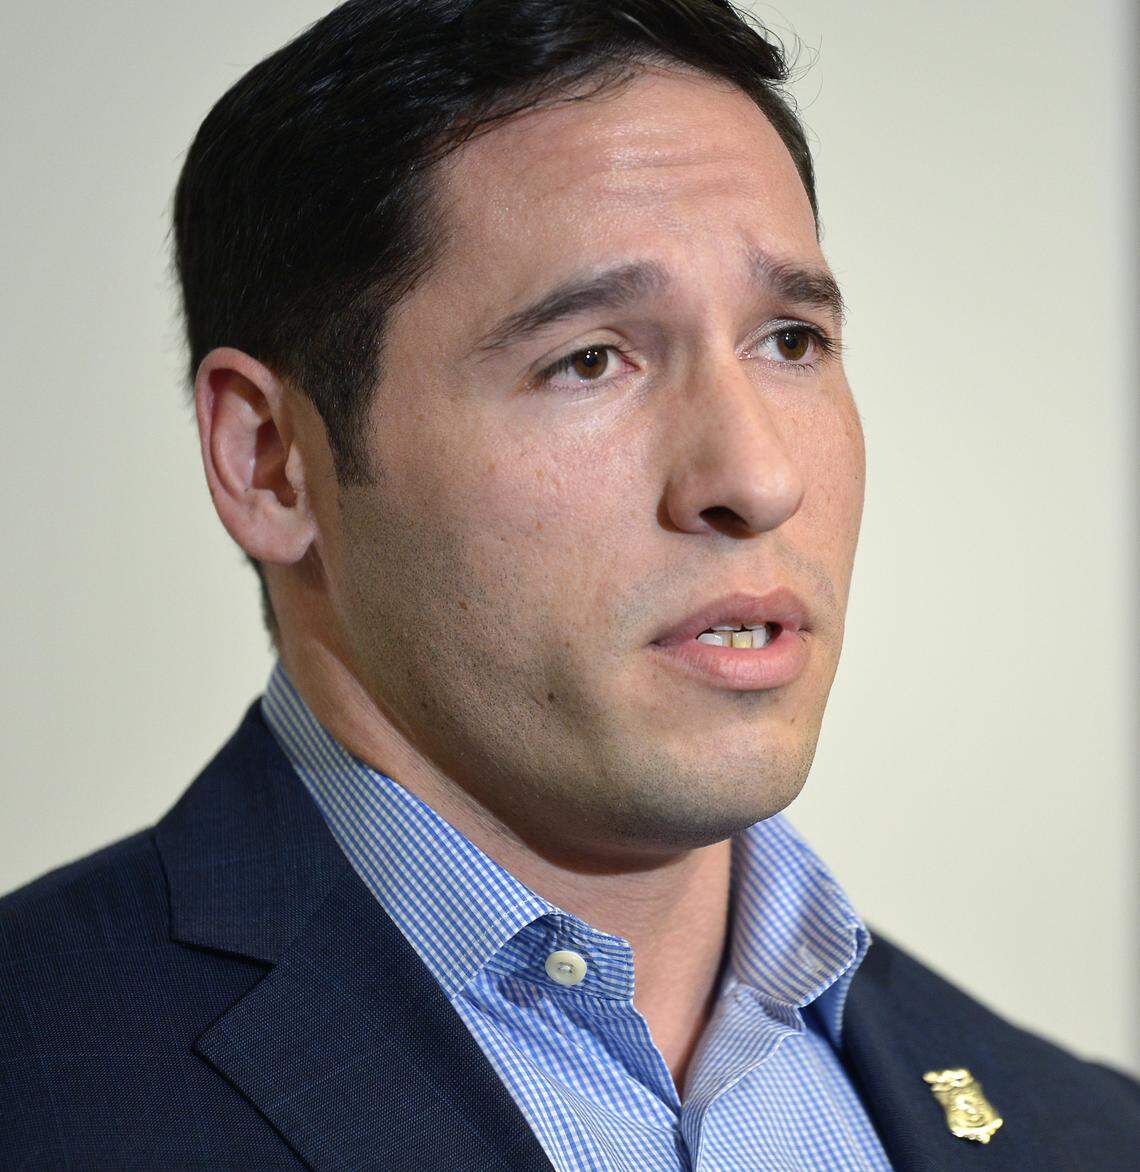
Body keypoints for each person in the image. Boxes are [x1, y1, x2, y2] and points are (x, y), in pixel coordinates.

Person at [1, 1, 1136, 1168]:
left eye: (789, 339)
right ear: (272, 462)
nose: (754, 476)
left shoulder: (1089, 1132)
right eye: (589, 358)